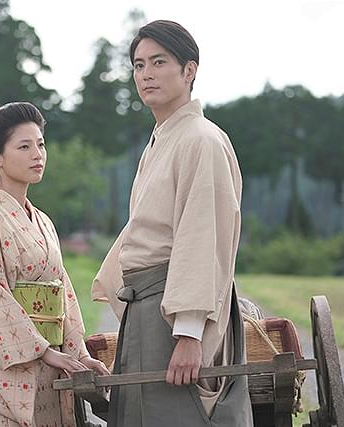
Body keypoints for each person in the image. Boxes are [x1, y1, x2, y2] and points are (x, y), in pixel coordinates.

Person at [91, 20, 254, 426]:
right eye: (139, 65)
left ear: (189, 70)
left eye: (159, 62)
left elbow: (202, 236)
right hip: (150, 310)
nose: (146, 74)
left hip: (174, 315)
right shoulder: (163, 137)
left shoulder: (201, 139)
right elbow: (144, 229)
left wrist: (189, 333)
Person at [0, 102, 109, 427]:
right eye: (24, 147)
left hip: (49, 365)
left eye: (41, 144)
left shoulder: (43, 221)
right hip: (2, 371)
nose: (38, 154)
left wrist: (79, 355)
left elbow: (64, 295)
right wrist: (43, 350)